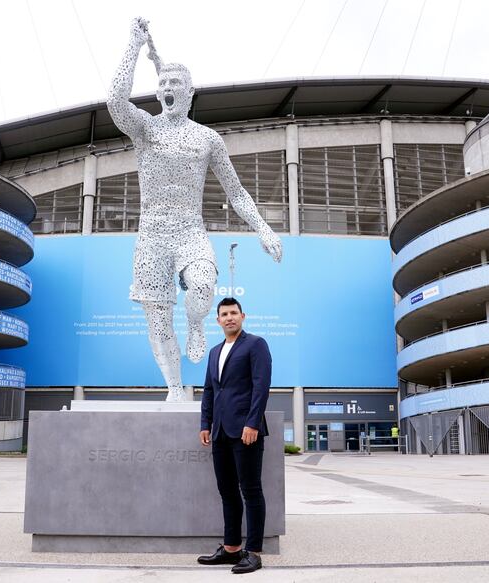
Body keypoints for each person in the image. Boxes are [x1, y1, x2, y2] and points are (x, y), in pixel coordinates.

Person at [107, 18, 282, 402]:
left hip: (189, 231)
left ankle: (196, 320)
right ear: (158, 93)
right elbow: (115, 102)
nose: (168, 89)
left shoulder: (207, 139)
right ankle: (174, 389)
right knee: (157, 319)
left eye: (176, 85)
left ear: (189, 93)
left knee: (203, 285)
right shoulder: (146, 130)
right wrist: (134, 47)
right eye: (163, 84)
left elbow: (236, 192)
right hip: (152, 235)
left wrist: (263, 229)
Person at [198, 297, 271, 574]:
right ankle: (231, 549)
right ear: (218, 320)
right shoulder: (215, 351)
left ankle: (253, 552)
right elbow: (209, 390)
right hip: (219, 432)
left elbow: (261, 385)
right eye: (224, 314)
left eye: (233, 313)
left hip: (246, 431)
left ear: (243, 316)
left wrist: (252, 423)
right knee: (227, 491)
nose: (229, 317)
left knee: (251, 490)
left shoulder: (255, 344)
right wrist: (205, 423)